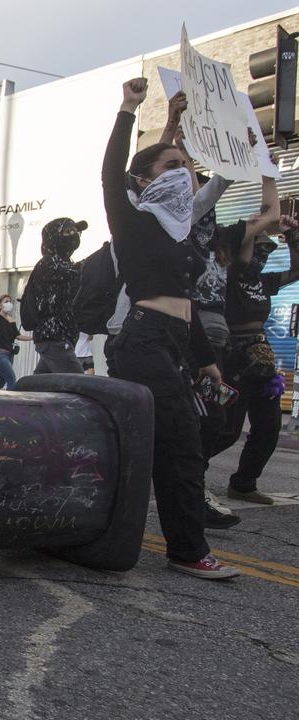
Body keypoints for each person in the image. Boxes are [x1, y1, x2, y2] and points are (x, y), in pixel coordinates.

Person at [103, 78, 277, 580]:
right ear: (146, 182)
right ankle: (187, 549)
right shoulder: (132, 221)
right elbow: (112, 173)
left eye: (186, 166)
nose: (184, 172)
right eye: (172, 166)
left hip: (177, 341)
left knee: (183, 436)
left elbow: (188, 307)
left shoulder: (180, 227)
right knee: (180, 441)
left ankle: (132, 526)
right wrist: (127, 110)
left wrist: (207, 362)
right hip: (142, 340)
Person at [205, 213, 298, 506]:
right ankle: (186, 472)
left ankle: (244, 483)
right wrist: (260, 222)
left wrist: (293, 239)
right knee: (227, 428)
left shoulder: (263, 281)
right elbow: (242, 250)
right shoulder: (227, 275)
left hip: (261, 356)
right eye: (258, 248)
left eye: (267, 251)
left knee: (269, 427)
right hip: (231, 357)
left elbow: (296, 271)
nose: (262, 255)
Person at [26, 218, 86, 374]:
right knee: (76, 384)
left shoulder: (63, 262)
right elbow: (76, 273)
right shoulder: (50, 263)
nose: (73, 235)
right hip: (54, 337)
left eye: (75, 231)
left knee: (42, 387)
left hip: (58, 338)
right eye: (67, 232)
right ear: (53, 237)